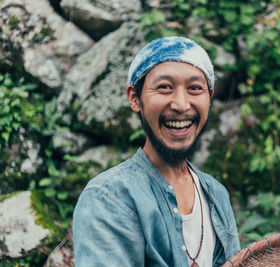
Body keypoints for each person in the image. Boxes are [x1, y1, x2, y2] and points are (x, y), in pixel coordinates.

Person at [73, 36, 240, 266]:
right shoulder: (109, 197)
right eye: (164, 87)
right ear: (135, 98)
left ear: (209, 98)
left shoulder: (217, 195)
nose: (181, 104)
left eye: (194, 88)